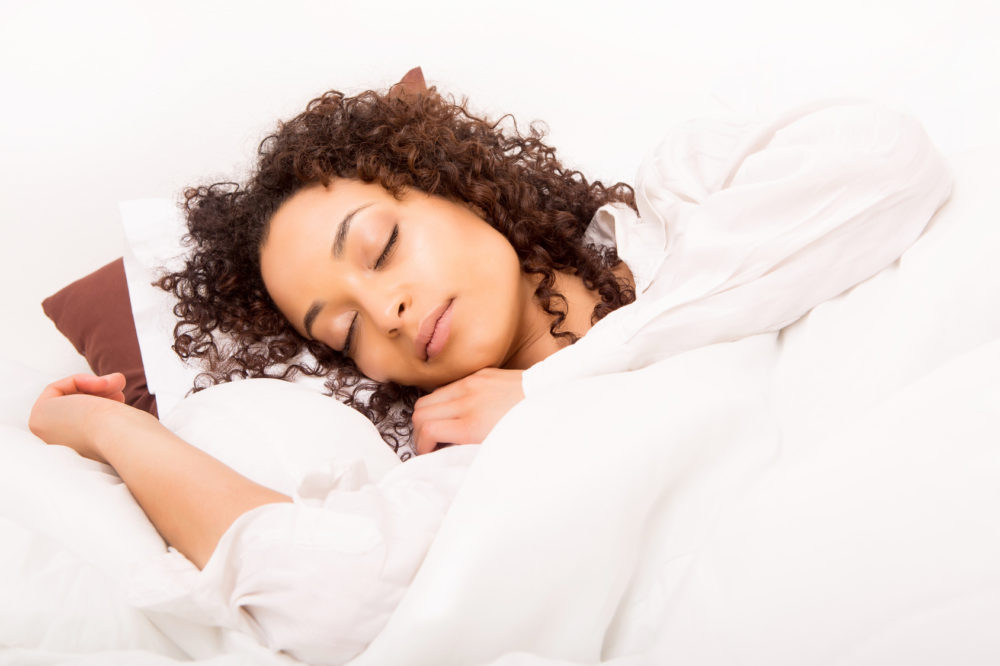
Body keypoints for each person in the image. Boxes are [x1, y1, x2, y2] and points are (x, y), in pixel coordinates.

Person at [28, 81, 951, 664]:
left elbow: (886, 162)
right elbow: (328, 596)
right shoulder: (456, 446)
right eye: (344, 328)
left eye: (382, 246)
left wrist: (559, 386)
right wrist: (115, 428)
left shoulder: (685, 201)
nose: (384, 310)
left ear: (451, 186)